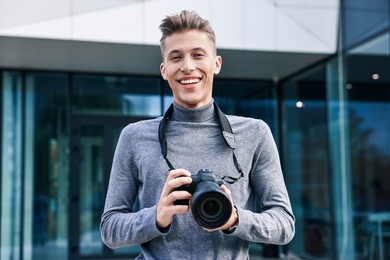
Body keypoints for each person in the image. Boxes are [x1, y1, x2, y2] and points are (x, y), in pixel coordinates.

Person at [100, 10, 295, 259]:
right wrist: (157, 216)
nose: (187, 66)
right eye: (176, 57)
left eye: (198, 55)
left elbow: (284, 225)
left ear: (216, 63)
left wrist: (234, 219)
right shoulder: (134, 137)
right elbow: (109, 230)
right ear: (164, 69)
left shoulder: (255, 133)